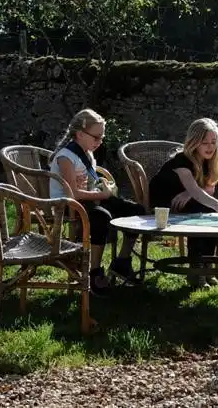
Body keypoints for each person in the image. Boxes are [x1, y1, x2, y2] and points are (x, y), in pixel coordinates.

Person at [49, 109, 145, 297]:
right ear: (80, 134)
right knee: (101, 216)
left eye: (101, 138)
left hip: (88, 200)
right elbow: (73, 194)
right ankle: (94, 273)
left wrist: (104, 190)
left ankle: (122, 261)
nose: (99, 142)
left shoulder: (88, 154)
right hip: (68, 206)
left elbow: (88, 186)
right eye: (96, 138)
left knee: (136, 210)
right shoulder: (65, 157)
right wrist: (104, 194)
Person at [149, 118, 218, 288]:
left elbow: (208, 189)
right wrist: (216, 203)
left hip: (189, 200)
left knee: (209, 213)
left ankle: (207, 265)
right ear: (194, 142)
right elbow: (196, 190)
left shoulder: (211, 160)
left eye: (213, 142)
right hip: (165, 203)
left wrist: (191, 193)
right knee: (204, 208)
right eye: (205, 143)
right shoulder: (182, 160)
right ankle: (196, 268)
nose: (210, 147)